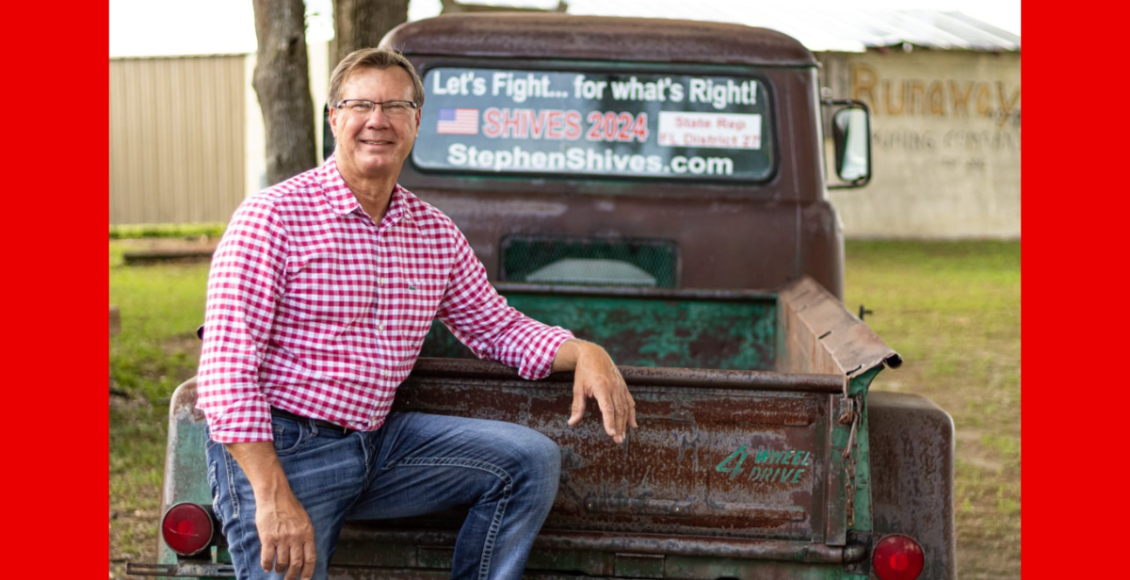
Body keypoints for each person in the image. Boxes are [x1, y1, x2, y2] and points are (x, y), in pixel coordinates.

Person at [196, 48, 637, 580]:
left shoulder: (433, 232)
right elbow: (226, 371)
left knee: (527, 461)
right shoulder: (271, 218)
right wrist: (271, 497)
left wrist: (585, 352)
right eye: (361, 105)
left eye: (395, 106)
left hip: (378, 445)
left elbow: (496, 326)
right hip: (287, 453)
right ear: (334, 118)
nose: (377, 120)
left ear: (416, 122)